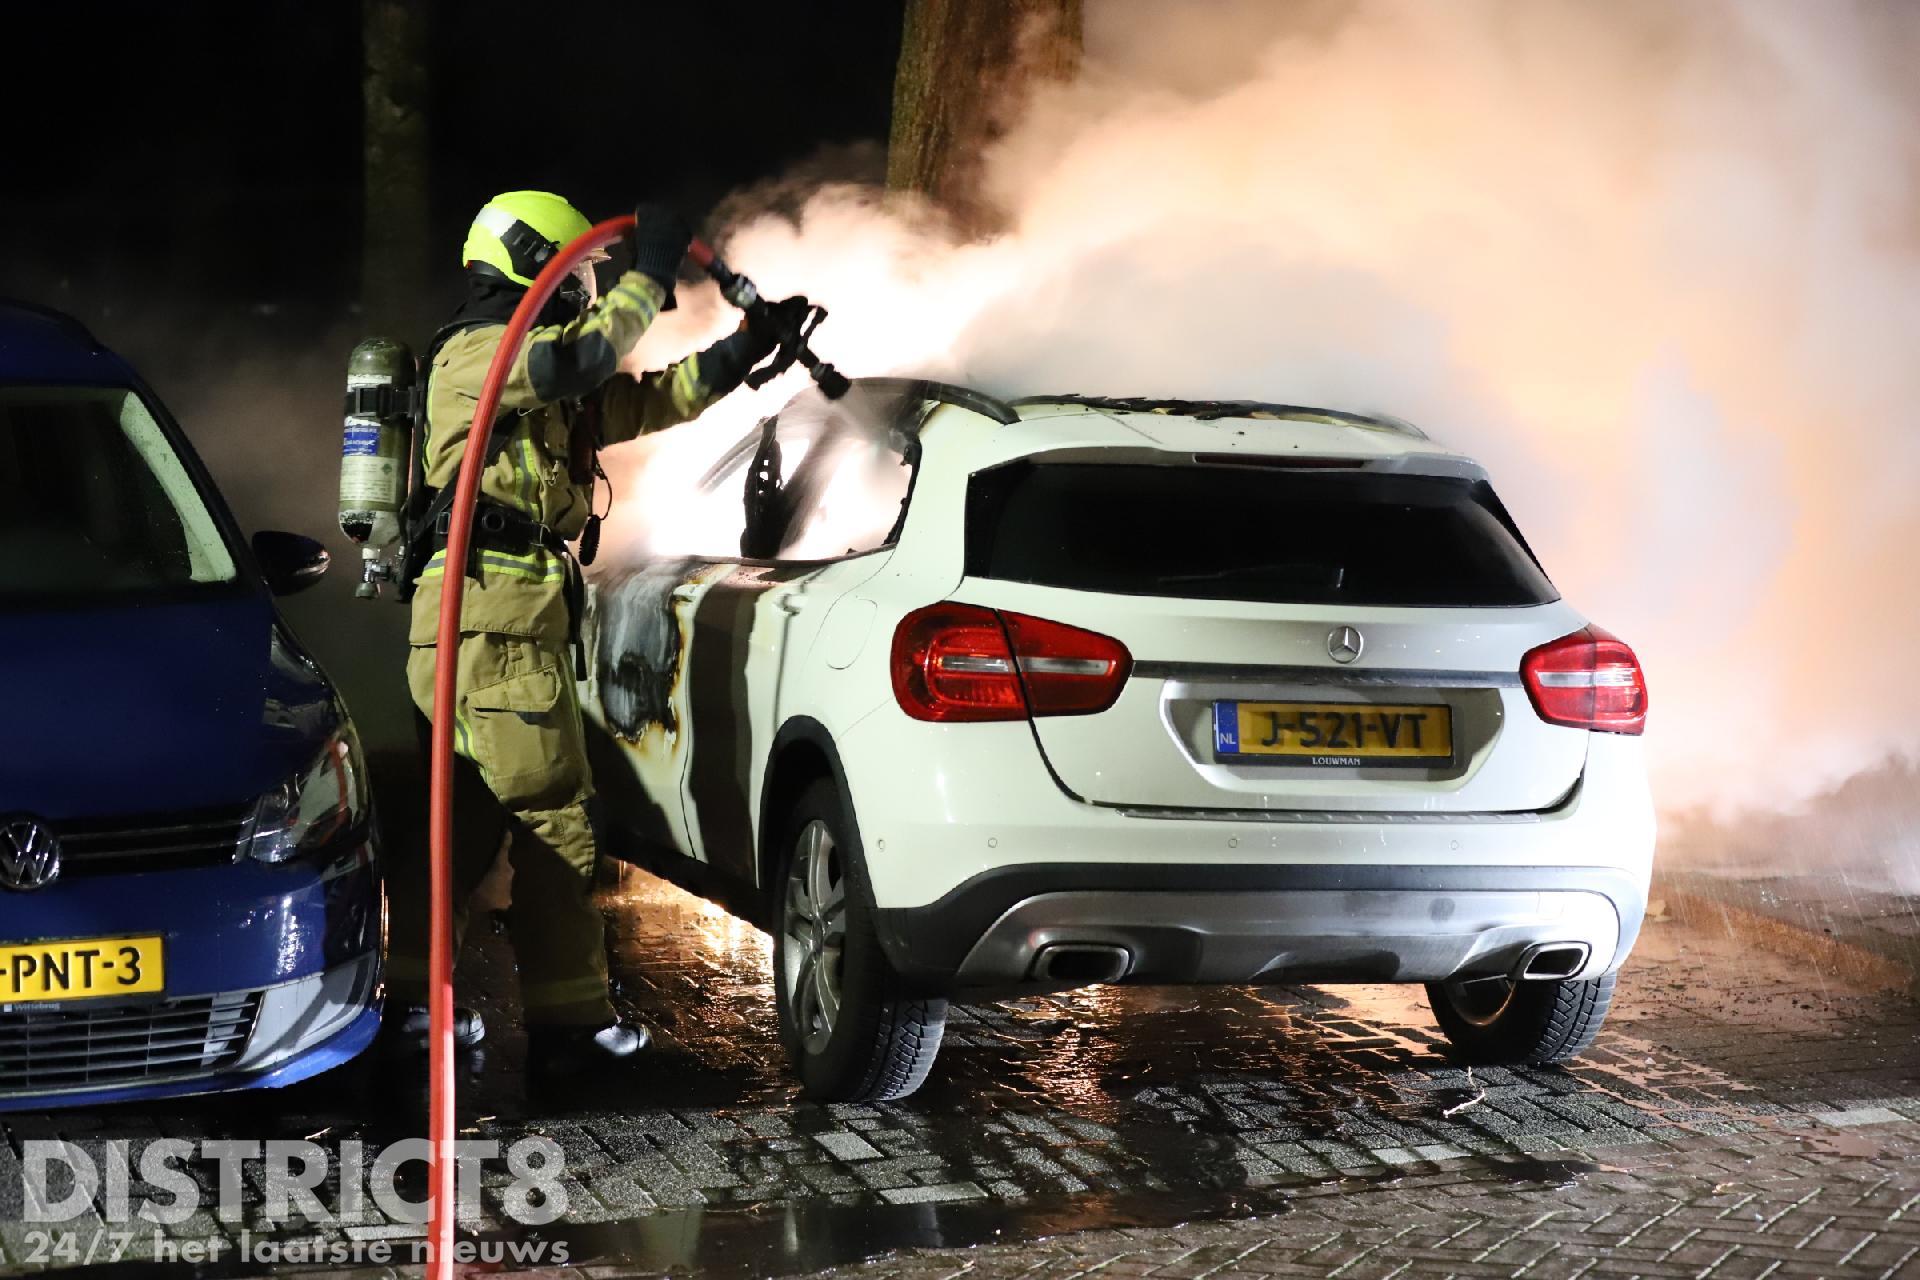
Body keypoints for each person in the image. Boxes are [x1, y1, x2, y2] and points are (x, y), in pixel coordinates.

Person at [385, 190, 801, 1087]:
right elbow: (587, 357)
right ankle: (570, 1028)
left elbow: (637, 404)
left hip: (486, 626)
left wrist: (740, 353)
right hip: (494, 626)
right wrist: (651, 271)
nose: (585, 285)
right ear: (534, 264)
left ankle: (418, 1011)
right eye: (576, 270)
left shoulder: (525, 376)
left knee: (460, 825)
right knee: (557, 821)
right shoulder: (483, 352)